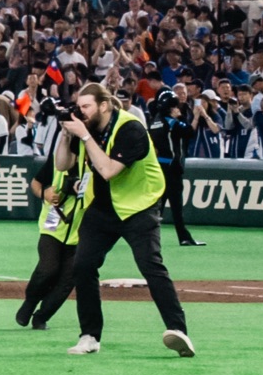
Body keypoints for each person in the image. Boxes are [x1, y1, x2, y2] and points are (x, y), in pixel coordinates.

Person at [25, 82, 194, 358]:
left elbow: (108, 170)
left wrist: (84, 136)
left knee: (150, 266)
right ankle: (89, 335)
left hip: (138, 206)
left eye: (86, 106)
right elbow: (62, 165)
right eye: (79, 106)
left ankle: (178, 330)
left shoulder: (130, 128)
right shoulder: (86, 127)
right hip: (102, 208)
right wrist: (66, 134)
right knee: (82, 265)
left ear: (104, 106)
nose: (81, 112)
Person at [14, 158, 89, 330]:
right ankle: (30, 302)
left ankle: (42, 316)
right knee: (48, 268)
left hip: (81, 233)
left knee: (68, 280)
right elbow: (35, 183)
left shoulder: (98, 164)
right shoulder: (58, 159)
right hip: (52, 225)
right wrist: (44, 194)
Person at [146, 88, 205, 247]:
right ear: (170, 108)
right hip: (172, 167)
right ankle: (184, 237)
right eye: (175, 106)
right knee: (176, 205)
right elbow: (189, 132)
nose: (177, 109)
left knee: (158, 204)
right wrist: (196, 116)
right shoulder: (171, 122)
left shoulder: (154, 121)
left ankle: (149, 236)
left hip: (158, 166)